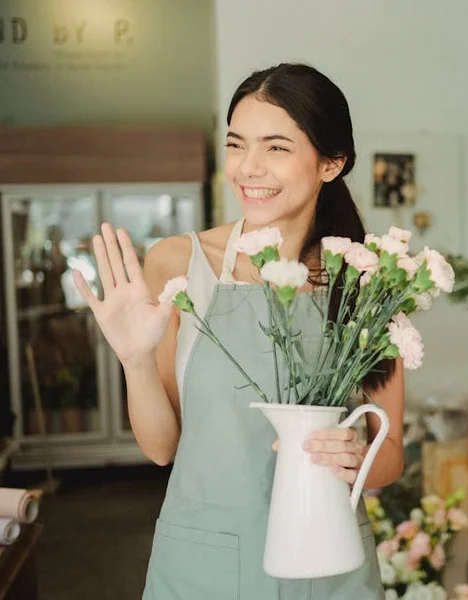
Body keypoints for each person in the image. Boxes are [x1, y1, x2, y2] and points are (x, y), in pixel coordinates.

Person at [73, 63, 405, 599]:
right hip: (204, 562)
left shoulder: (368, 278)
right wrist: (135, 360)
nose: (249, 168)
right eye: (236, 144)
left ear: (331, 163)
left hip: (329, 567)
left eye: (275, 147)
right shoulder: (181, 262)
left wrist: (354, 454)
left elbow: (390, 459)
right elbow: (162, 448)